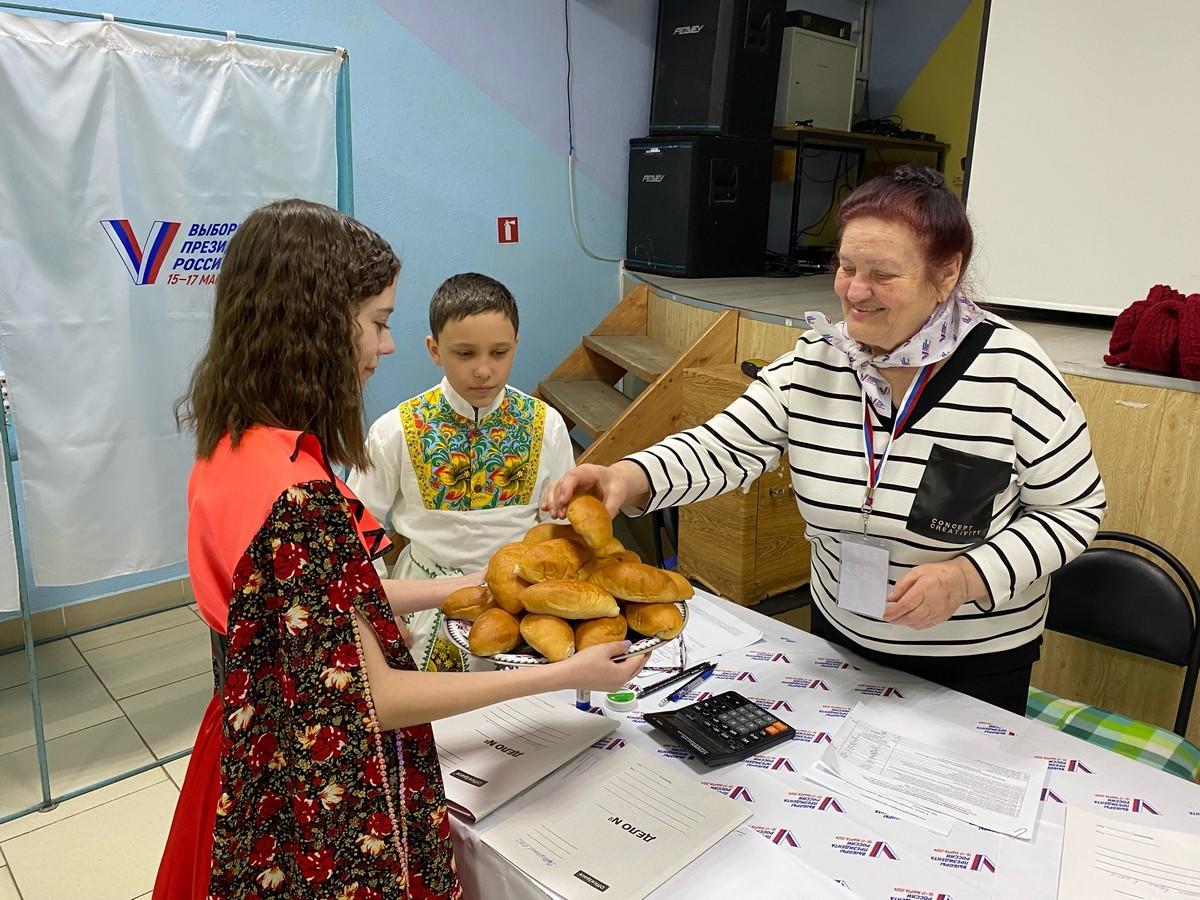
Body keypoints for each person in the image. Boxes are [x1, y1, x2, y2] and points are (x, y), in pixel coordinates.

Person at [155, 199, 642, 899]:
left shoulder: (233, 447)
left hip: (249, 744)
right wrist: (564, 676)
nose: (384, 344)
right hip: (317, 788)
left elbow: (313, 609)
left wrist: (461, 584)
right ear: (316, 324)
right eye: (378, 322)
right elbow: (373, 697)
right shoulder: (298, 494)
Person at [545, 166, 1106, 716]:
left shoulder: (1015, 373)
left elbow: (1073, 511)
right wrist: (626, 476)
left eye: (883, 275)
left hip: (971, 662)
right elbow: (723, 446)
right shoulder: (818, 361)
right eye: (845, 267)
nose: (856, 292)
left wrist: (968, 576)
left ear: (946, 273)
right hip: (840, 639)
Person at [348, 273, 573, 673]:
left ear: (516, 347)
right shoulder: (397, 429)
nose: (484, 370)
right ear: (435, 350)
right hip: (422, 606)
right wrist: (383, 609)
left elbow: (558, 524)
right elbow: (357, 526)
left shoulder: (546, 424)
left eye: (499, 352)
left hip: (519, 606)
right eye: (465, 354)